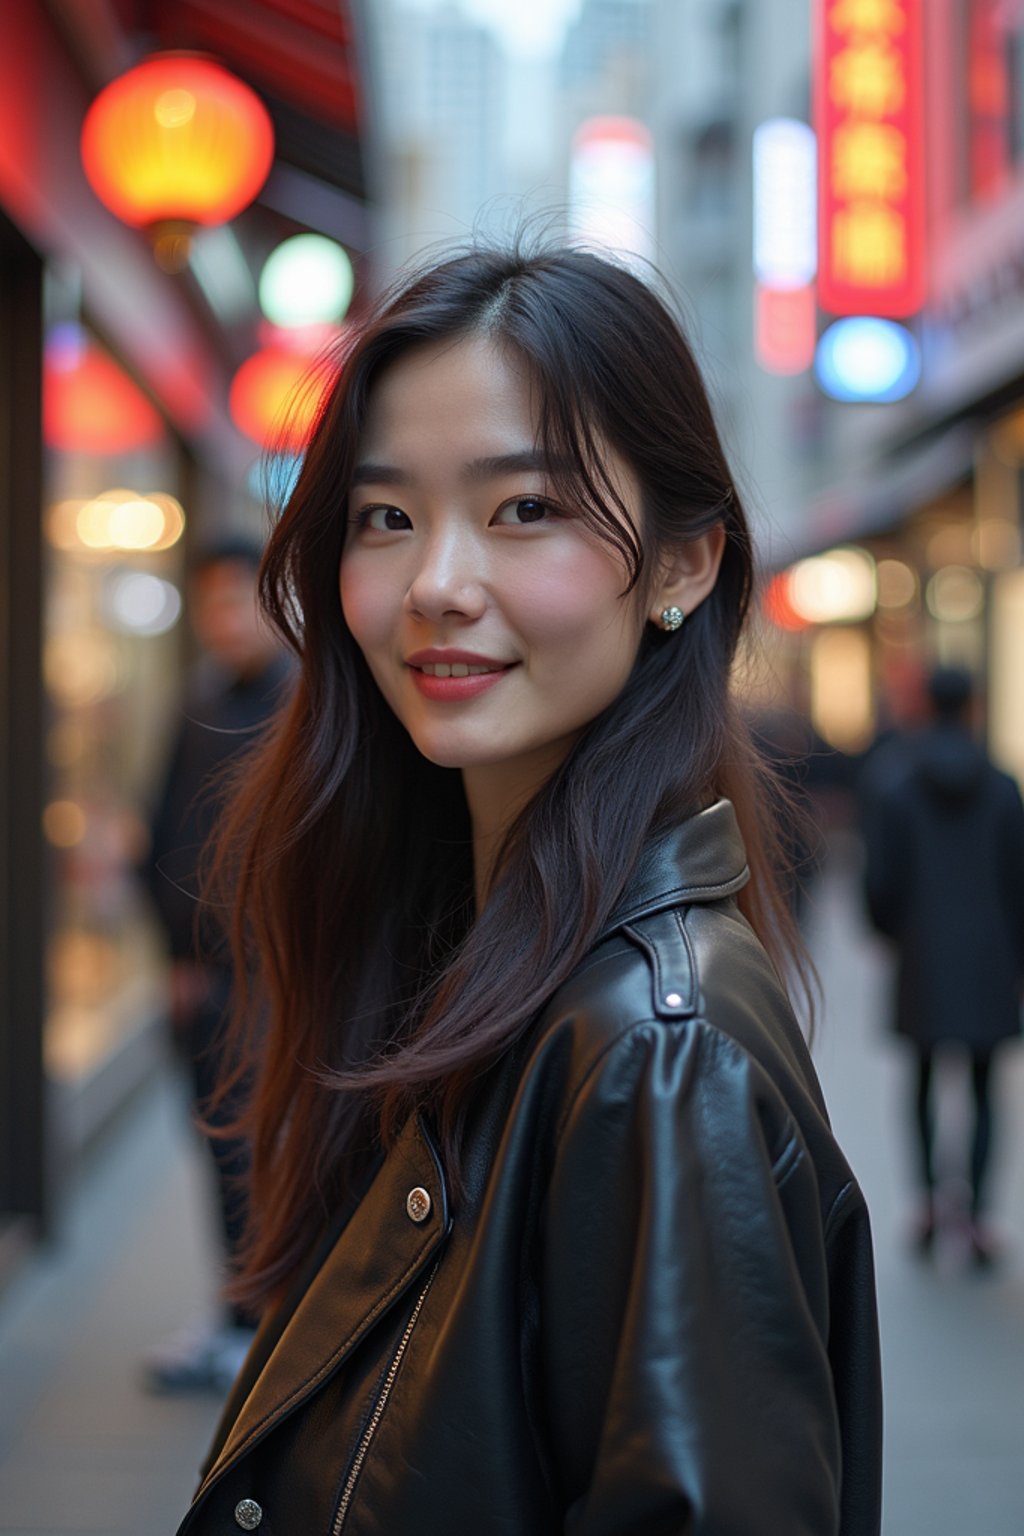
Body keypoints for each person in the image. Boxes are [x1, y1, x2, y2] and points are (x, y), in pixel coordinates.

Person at [176, 247, 882, 1535]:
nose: (437, 583)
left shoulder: (661, 1060)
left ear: (682, 566)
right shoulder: (462, 951)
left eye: (524, 511)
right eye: (385, 517)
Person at [141, 539, 291, 1392]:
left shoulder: (298, 702)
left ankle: (261, 1317)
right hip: (202, 975)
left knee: (257, 1144)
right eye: (213, 603)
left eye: (240, 601)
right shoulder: (200, 698)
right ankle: (238, 1309)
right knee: (215, 1139)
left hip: (272, 976)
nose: (226, 619)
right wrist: (174, 952)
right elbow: (164, 832)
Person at [861, 664, 1024, 1265]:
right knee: (985, 1087)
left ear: (926, 704)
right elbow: (1018, 878)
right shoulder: (1003, 785)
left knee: (922, 1078)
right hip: (990, 952)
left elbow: (880, 878)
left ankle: (928, 1201)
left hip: (922, 950)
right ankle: (978, 1216)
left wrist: (887, 930)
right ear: (974, 705)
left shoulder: (896, 783)